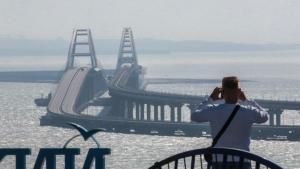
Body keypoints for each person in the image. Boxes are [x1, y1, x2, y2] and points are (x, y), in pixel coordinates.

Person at [191, 76, 268, 168]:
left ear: (222, 92)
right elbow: (265, 116)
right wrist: (247, 101)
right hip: (242, 161)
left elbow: (194, 116)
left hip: (219, 161)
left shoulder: (213, 111)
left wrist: (210, 99)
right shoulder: (248, 111)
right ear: (239, 92)